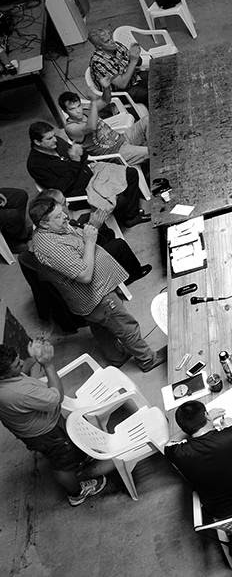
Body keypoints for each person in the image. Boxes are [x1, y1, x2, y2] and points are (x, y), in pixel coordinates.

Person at [28, 197, 164, 371]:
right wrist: (91, 240)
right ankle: (147, 359)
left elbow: (78, 246)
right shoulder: (50, 247)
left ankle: (116, 357)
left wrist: (92, 227)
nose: (64, 216)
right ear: (43, 224)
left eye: (62, 211)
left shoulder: (54, 229)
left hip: (88, 301)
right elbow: (84, 275)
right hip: (97, 296)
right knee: (126, 327)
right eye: (58, 216)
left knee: (102, 328)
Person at [0, 340, 114, 505]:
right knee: (62, 464)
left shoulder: (7, 379)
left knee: (68, 451)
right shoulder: (17, 393)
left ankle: (78, 460)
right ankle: (77, 493)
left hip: (39, 427)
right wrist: (48, 365)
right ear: (4, 374)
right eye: (17, 364)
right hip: (46, 433)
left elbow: (22, 371)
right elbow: (56, 398)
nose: (22, 364)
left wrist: (34, 357)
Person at [26, 122, 148, 227]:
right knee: (119, 198)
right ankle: (130, 217)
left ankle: (131, 215)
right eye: (49, 138)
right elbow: (61, 187)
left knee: (131, 173)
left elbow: (83, 156)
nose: (55, 140)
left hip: (92, 173)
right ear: (37, 142)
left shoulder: (58, 143)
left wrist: (80, 152)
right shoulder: (36, 164)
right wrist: (75, 161)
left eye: (54, 136)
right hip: (78, 191)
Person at [59, 87, 150, 165]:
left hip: (122, 138)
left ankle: (150, 153)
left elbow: (106, 100)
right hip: (117, 153)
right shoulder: (71, 128)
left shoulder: (86, 111)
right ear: (66, 111)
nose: (78, 111)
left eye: (79, 106)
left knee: (147, 120)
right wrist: (93, 102)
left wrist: (106, 87)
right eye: (72, 109)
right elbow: (91, 127)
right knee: (151, 151)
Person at [85, 27, 148, 106]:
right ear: (99, 47)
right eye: (107, 41)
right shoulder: (99, 62)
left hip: (133, 78)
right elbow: (122, 84)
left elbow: (138, 62)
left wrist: (136, 54)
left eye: (111, 38)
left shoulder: (117, 46)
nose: (112, 42)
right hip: (119, 93)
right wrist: (133, 61)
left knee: (156, 77)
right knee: (147, 94)